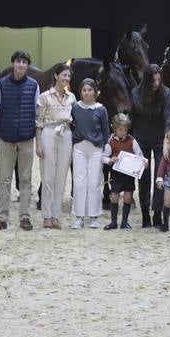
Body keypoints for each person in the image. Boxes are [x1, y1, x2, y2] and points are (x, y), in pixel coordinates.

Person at [0, 50, 39, 232]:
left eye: (24, 62)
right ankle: (1, 218)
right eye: (18, 61)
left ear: (27, 65)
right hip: (6, 138)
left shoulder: (34, 85)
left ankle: (25, 217)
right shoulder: (1, 85)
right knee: (5, 179)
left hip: (26, 139)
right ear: (13, 64)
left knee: (26, 179)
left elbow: (36, 111)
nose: (21, 65)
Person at [131, 63, 170, 228]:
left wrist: (166, 140)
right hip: (141, 140)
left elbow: (169, 117)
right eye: (153, 80)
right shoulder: (135, 93)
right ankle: (145, 214)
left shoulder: (166, 93)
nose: (156, 83)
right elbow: (132, 117)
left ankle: (157, 213)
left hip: (160, 140)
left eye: (158, 79)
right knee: (143, 178)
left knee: (160, 177)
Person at [35, 64, 75, 230]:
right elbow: (38, 121)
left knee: (61, 177)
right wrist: (38, 142)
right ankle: (46, 216)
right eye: (64, 75)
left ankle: (56, 215)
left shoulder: (72, 97)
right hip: (49, 133)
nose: (66, 79)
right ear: (56, 76)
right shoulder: (45, 97)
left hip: (66, 135)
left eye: (68, 76)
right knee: (48, 176)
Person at [69, 77, 110, 229]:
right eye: (84, 90)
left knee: (94, 183)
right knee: (79, 183)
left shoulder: (101, 109)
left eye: (90, 90)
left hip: (96, 149)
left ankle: (94, 216)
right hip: (79, 147)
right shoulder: (75, 107)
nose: (86, 93)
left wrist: (105, 148)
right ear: (80, 92)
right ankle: (78, 216)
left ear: (95, 92)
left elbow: (106, 131)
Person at [101, 113, 142, 230]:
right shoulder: (110, 142)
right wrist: (110, 160)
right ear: (114, 129)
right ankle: (113, 222)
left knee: (128, 196)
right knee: (114, 196)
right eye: (120, 130)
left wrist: (143, 162)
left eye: (125, 129)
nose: (123, 132)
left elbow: (139, 155)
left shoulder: (132, 140)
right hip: (117, 174)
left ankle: (124, 222)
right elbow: (103, 157)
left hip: (129, 174)